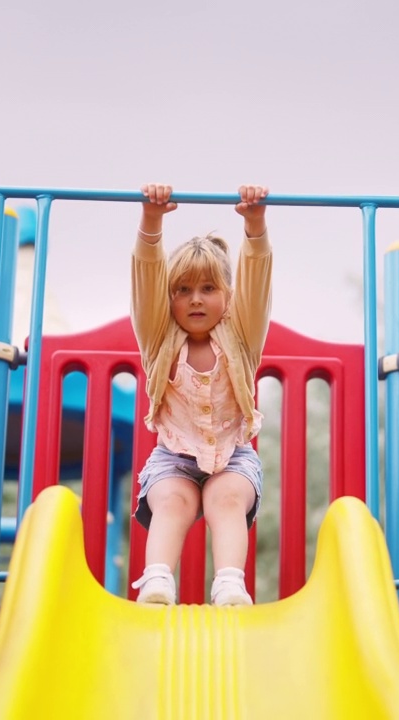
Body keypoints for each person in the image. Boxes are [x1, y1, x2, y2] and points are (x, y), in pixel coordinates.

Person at [129, 183, 272, 607]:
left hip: (233, 455)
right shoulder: (159, 337)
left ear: (227, 298)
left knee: (225, 498)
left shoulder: (241, 335)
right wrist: (151, 223)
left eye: (208, 289)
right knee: (173, 500)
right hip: (173, 457)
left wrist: (255, 225)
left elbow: (256, 283)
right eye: (183, 290)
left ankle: (229, 584)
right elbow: (147, 280)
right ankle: (157, 582)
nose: (195, 300)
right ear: (169, 299)